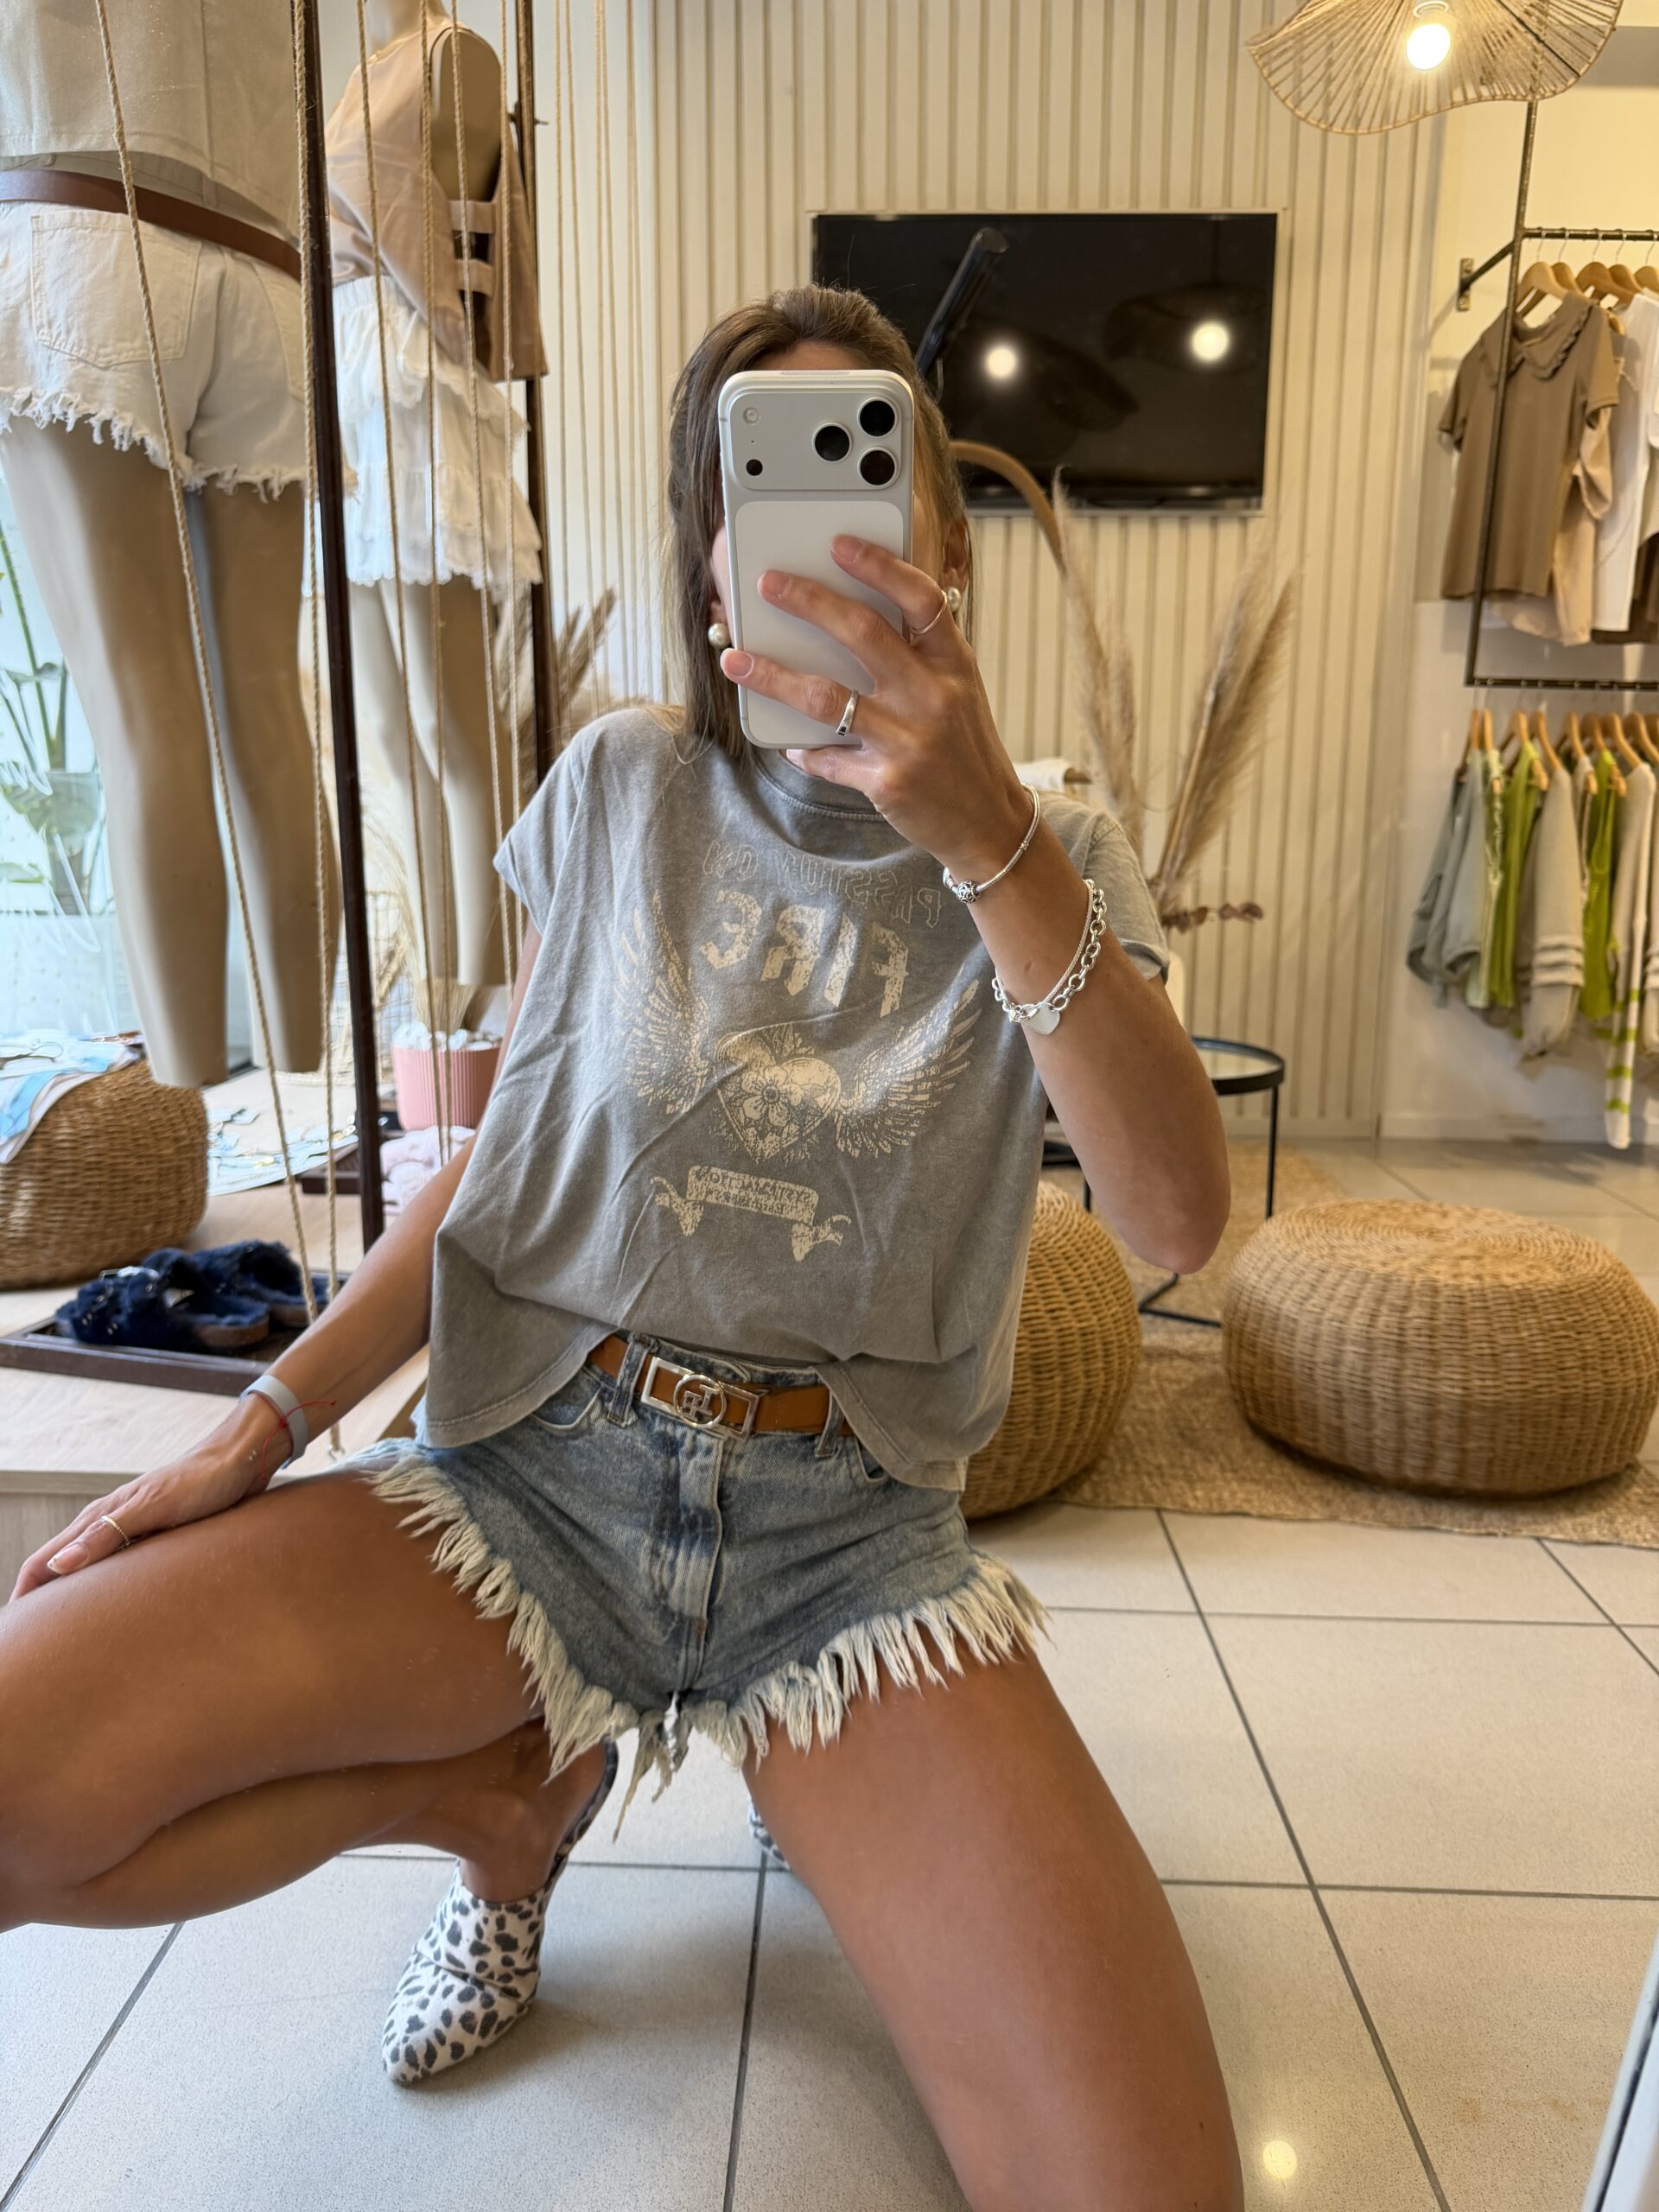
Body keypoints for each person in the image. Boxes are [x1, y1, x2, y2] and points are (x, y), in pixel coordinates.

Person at [0, 285, 1240, 2212]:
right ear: (709, 563)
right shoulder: (620, 787)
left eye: (865, 470)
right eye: (763, 487)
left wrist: (988, 832)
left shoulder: (1050, 846)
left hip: (849, 1552)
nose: (822, 534)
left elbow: (1177, 1218)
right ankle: (490, 1807)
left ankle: (762, 1785)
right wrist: (264, 1421)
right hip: (533, 1480)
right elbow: (498, 1165)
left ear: (944, 541)